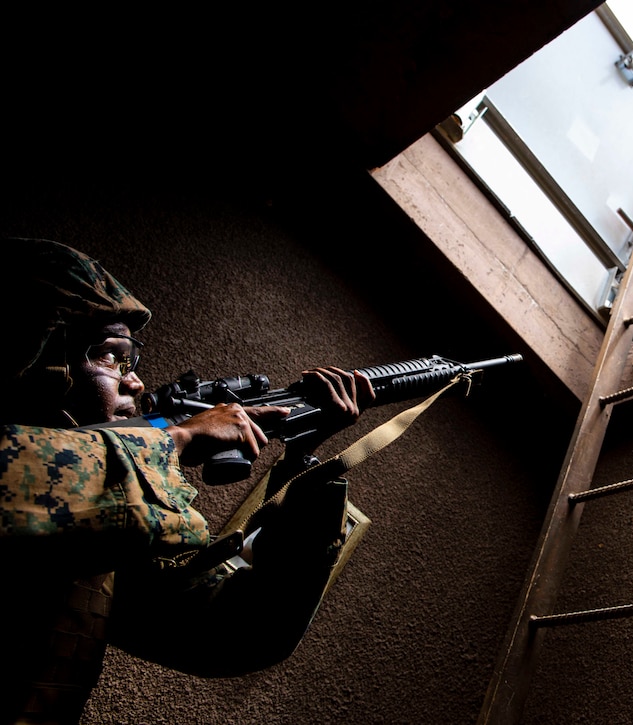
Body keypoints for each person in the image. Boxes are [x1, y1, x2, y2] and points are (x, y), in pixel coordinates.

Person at [0, 238, 374, 724]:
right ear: (39, 359)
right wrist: (176, 437)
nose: (134, 381)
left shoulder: (98, 531)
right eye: (111, 357)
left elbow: (237, 634)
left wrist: (306, 462)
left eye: (132, 361)